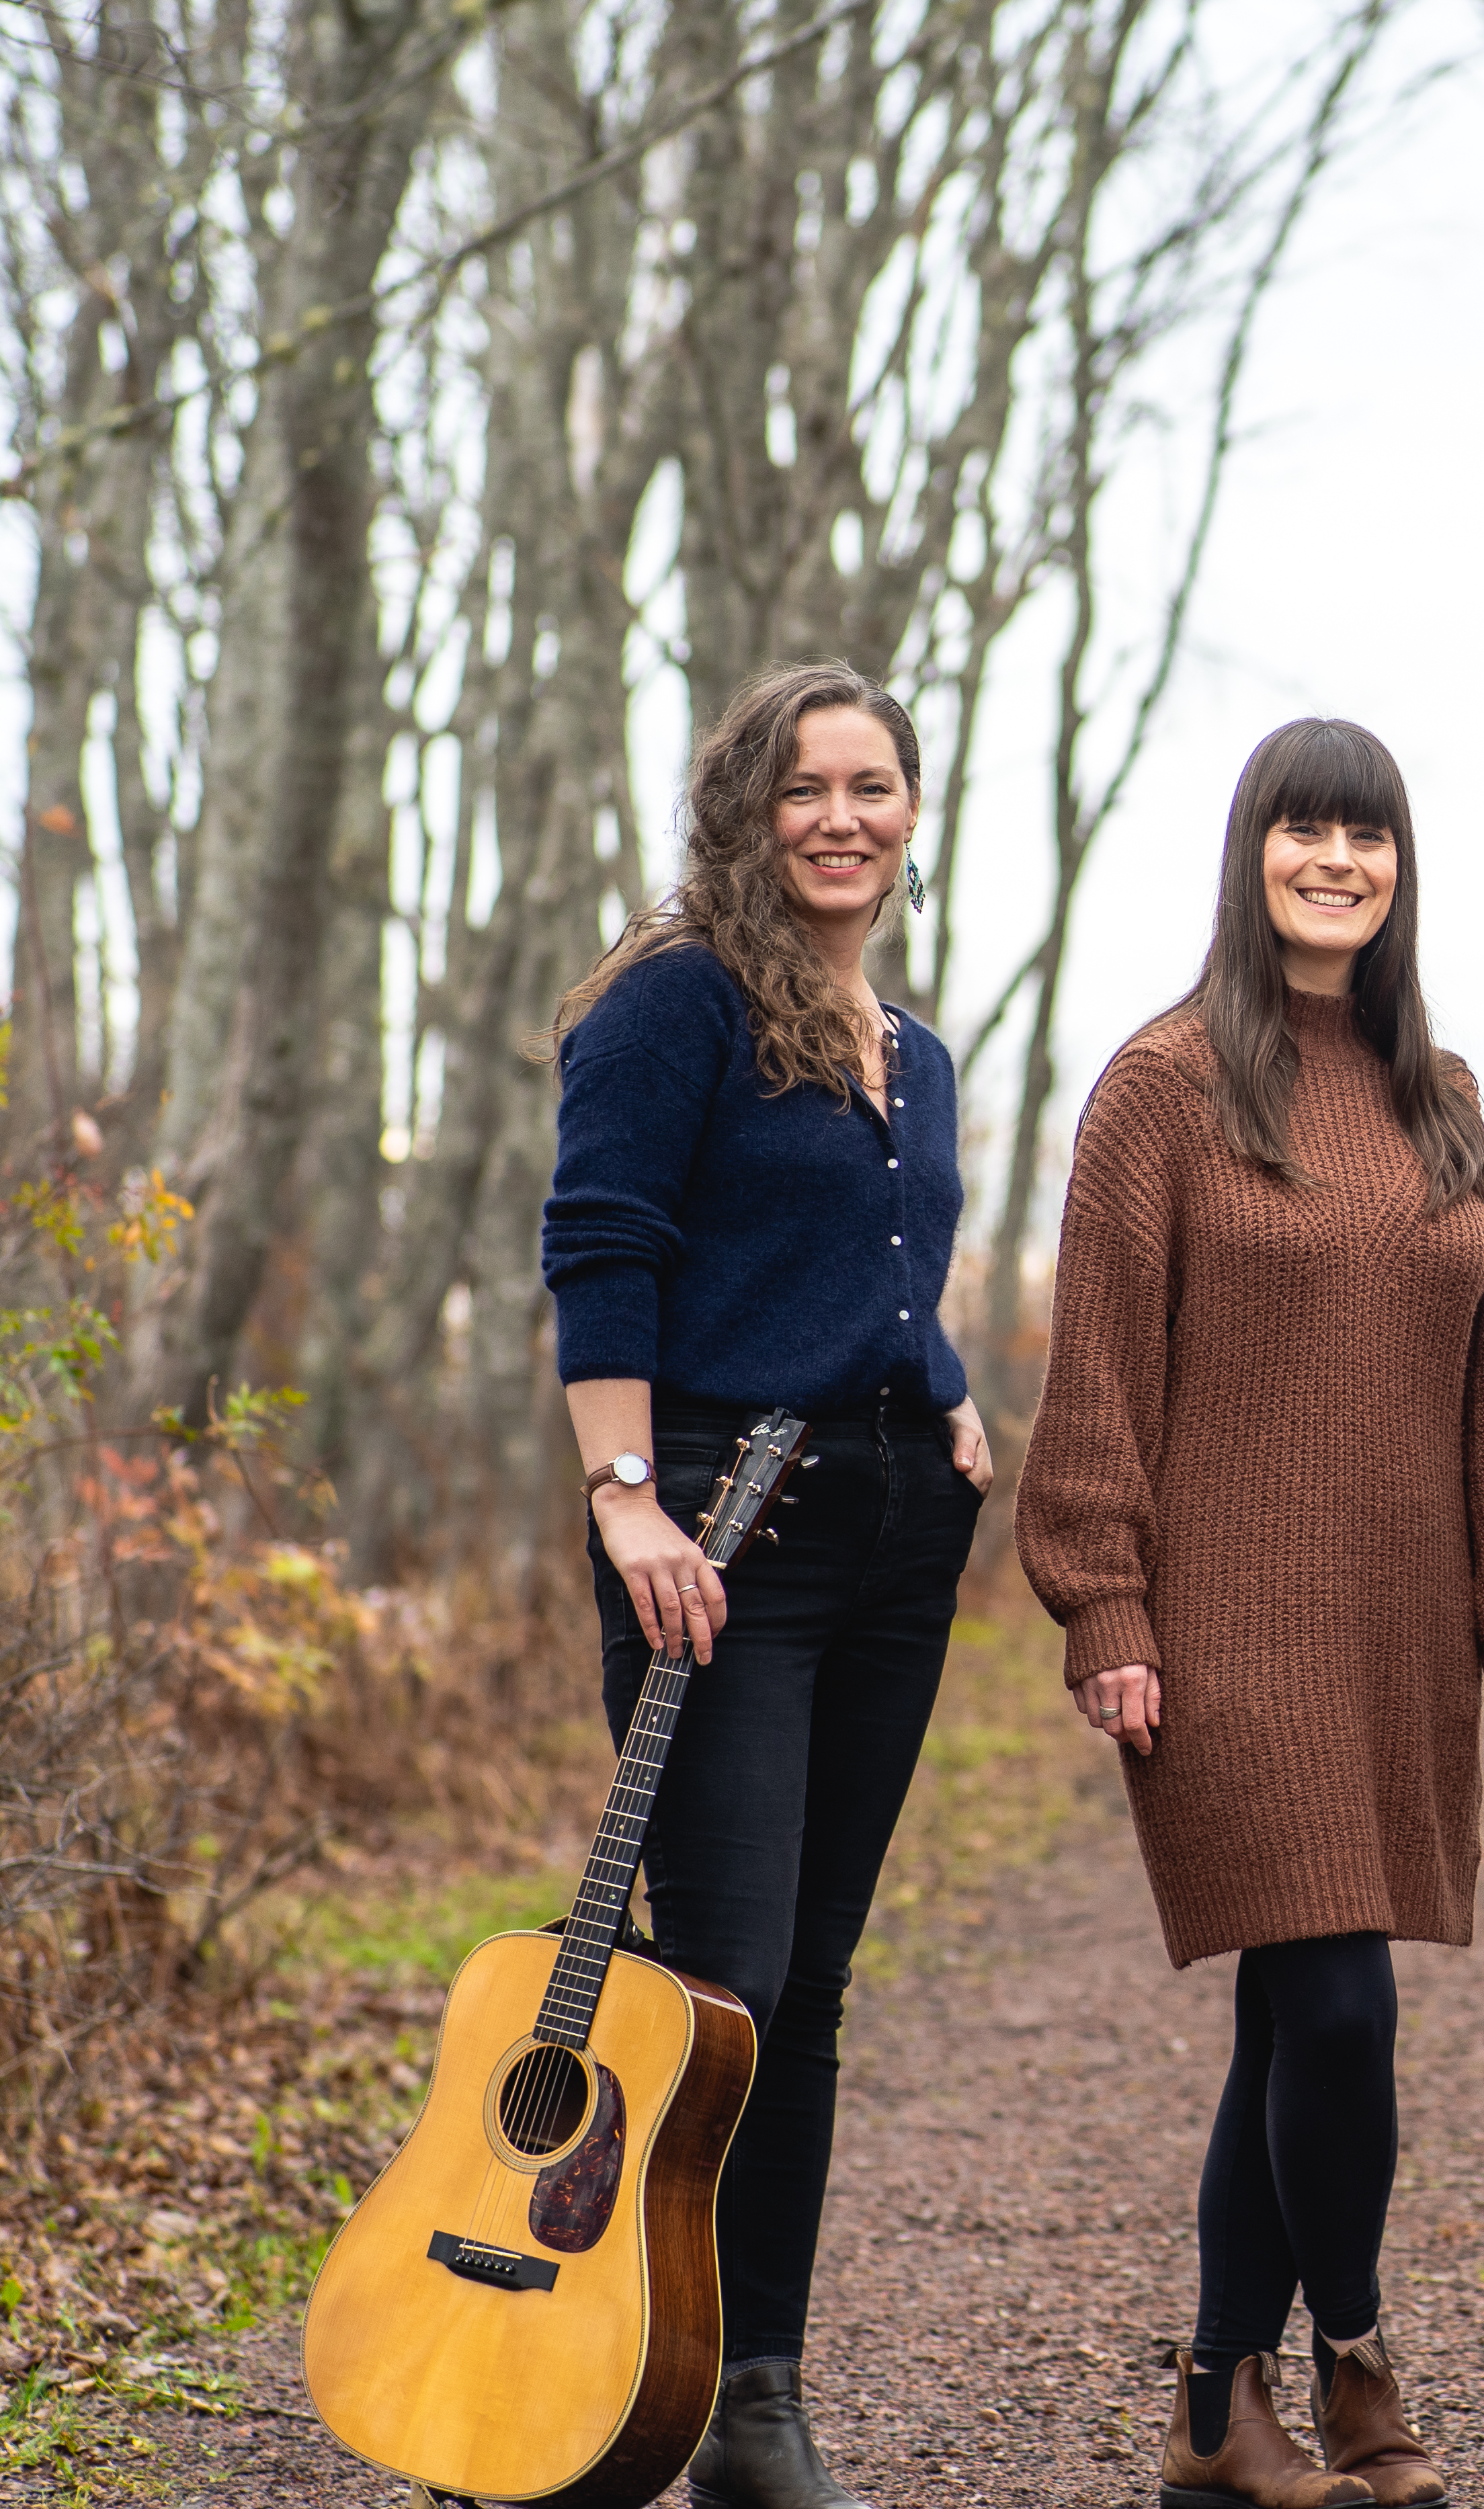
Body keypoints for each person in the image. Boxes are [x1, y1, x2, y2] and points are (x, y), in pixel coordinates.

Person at [1020, 717, 1484, 2509]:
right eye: (1304, 830)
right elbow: (1095, 1366)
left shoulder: (1442, 1092)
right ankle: (1354, 2350)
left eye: (1370, 834)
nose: (1338, 860)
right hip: (1222, 1623)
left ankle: (1215, 2406)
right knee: (1332, 2005)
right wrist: (1105, 1603)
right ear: (1251, 850)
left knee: (1291, 2011)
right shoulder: (1164, 1087)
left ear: (1402, 866)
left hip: (1398, 1621)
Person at [537, 659, 994, 2509]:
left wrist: (950, 1394)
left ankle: (754, 2404)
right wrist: (626, 1491)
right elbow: (607, 1243)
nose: (843, 816)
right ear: (749, 804)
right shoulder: (674, 1004)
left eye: (873, 783)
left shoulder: (919, 1045)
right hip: (718, 1536)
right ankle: (589, 2366)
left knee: (806, 1981)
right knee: (715, 1986)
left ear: (907, 806)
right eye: (806, 785)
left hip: (889, 1537)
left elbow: (869, 1275)